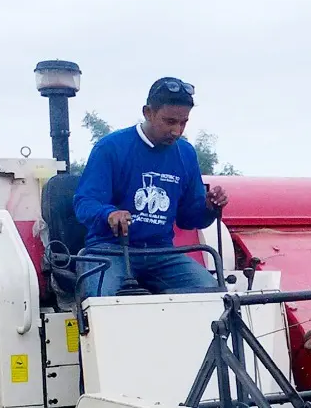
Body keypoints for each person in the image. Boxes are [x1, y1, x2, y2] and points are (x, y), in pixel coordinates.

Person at [73, 77, 229, 296]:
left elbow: (188, 219)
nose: (177, 131)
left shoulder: (186, 153)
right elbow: (84, 203)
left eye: (183, 122)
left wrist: (209, 207)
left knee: (212, 293)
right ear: (148, 112)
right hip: (111, 250)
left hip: (161, 253)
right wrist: (109, 214)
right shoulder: (110, 148)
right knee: (102, 301)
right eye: (169, 121)